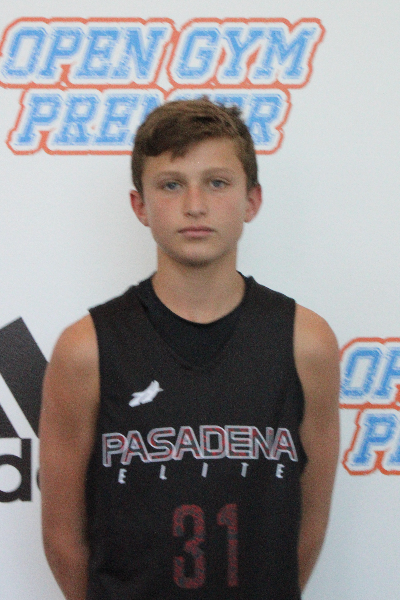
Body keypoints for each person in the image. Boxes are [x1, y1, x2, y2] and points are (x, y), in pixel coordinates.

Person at [39, 98, 340, 600]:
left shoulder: (305, 342)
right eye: (171, 184)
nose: (195, 205)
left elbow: (308, 523)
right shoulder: (86, 349)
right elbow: (62, 539)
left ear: (252, 201)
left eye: (217, 183)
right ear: (140, 205)